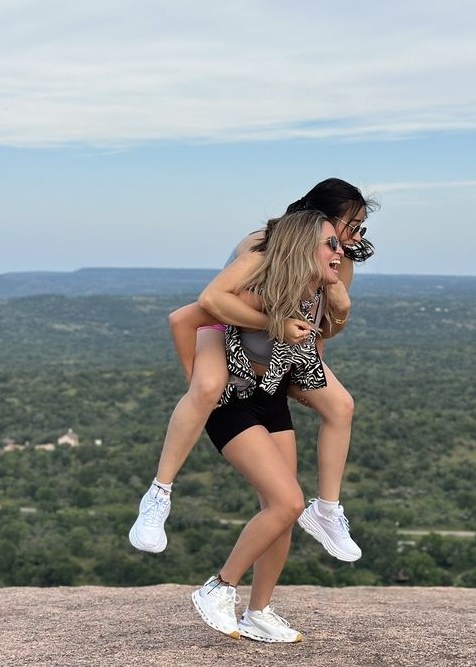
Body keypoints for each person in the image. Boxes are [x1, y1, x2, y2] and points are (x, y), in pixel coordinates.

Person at [129, 178, 376, 561]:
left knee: (340, 406)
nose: (357, 235)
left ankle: (326, 510)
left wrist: (333, 325)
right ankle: (159, 493)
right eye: (352, 223)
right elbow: (211, 306)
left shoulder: (337, 261)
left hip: (276, 347)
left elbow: (320, 325)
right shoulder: (263, 248)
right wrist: (274, 328)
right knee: (208, 386)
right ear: (323, 221)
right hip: (225, 327)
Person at [191, 210, 343, 642]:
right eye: (330, 243)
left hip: (272, 401)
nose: (340, 251)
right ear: (302, 246)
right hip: (233, 402)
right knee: (288, 501)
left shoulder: (312, 292)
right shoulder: (262, 280)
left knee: (280, 515)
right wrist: (274, 321)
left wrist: (338, 307)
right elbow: (210, 300)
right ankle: (219, 587)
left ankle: (258, 613)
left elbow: (312, 354)